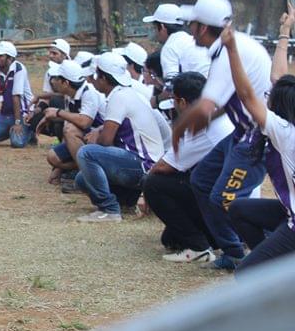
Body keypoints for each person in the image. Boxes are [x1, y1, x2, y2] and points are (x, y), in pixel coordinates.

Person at [173, 0, 272, 270]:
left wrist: (178, 128)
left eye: (192, 24)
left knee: (223, 199)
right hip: (241, 133)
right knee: (202, 180)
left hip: (256, 139)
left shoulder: (230, 53)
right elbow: (216, 105)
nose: (189, 30)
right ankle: (233, 251)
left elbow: (205, 107)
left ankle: (268, 249)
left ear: (202, 28)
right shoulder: (228, 48)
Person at [221, 10, 295, 274]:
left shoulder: (285, 132)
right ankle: (278, 268)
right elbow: (278, 78)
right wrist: (285, 31)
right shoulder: (288, 121)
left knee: (246, 273)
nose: (267, 98)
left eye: (271, 98)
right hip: (289, 213)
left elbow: (246, 94)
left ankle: (272, 277)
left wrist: (231, 49)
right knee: (240, 209)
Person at [143, 72, 233, 262]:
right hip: (228, 201)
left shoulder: (200, 123)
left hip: (222, 204)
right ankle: (211, 238)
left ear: (182, 101)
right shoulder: (217, 113)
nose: (174, 106)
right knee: (170, 238)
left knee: (153, 183)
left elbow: (162, 167)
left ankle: (198, 247)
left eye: (174, 100)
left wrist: (144, 195)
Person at [74, 52, 165, 223]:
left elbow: (106, 141)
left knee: (86, 153)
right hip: (145, 164)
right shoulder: (128, 93)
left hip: (143, 165)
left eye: (97, 75)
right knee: (82, 178)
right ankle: (126, 203)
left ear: (103, 78)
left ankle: (109, 209)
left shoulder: (118, 97)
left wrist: (96, 137)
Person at [37, 60, 105, 188]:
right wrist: (58, 168)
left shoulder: (88, 92)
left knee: (70, 130)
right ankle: (82, 169)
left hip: (100, 137)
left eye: (56, 79)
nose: (52, 81)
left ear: (66, 83)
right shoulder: (70, 94)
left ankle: (89, 178)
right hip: (85, 138)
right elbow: (69, 122)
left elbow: (85, 122)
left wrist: (57, 112)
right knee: (53, 157)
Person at [0, 40, 33, 147]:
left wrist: (18, 122)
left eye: (0, 56)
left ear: (10, 58)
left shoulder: (19, 69)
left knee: (17, 143)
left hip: (22, 113)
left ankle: (29, 132)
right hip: (5, 114)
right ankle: (9, 130)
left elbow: (16, 96)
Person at [143, 2, 211, 80]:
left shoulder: (170, 47)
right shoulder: (190, 39)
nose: (155, 32)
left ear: (162, 26)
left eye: (155, 28)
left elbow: (171, 84)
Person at [27, 38, 71, 137]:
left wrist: (41, 95)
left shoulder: (73, 70)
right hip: (56, 108)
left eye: (54, 53)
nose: (50, 56)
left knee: (56, 100)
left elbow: (68, 95)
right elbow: (46, 98)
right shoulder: (50, 72)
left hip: (71, 108)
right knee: (33, 120)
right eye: (50, 53)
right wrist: (36, 111)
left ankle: (63, 136)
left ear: (64, 55)